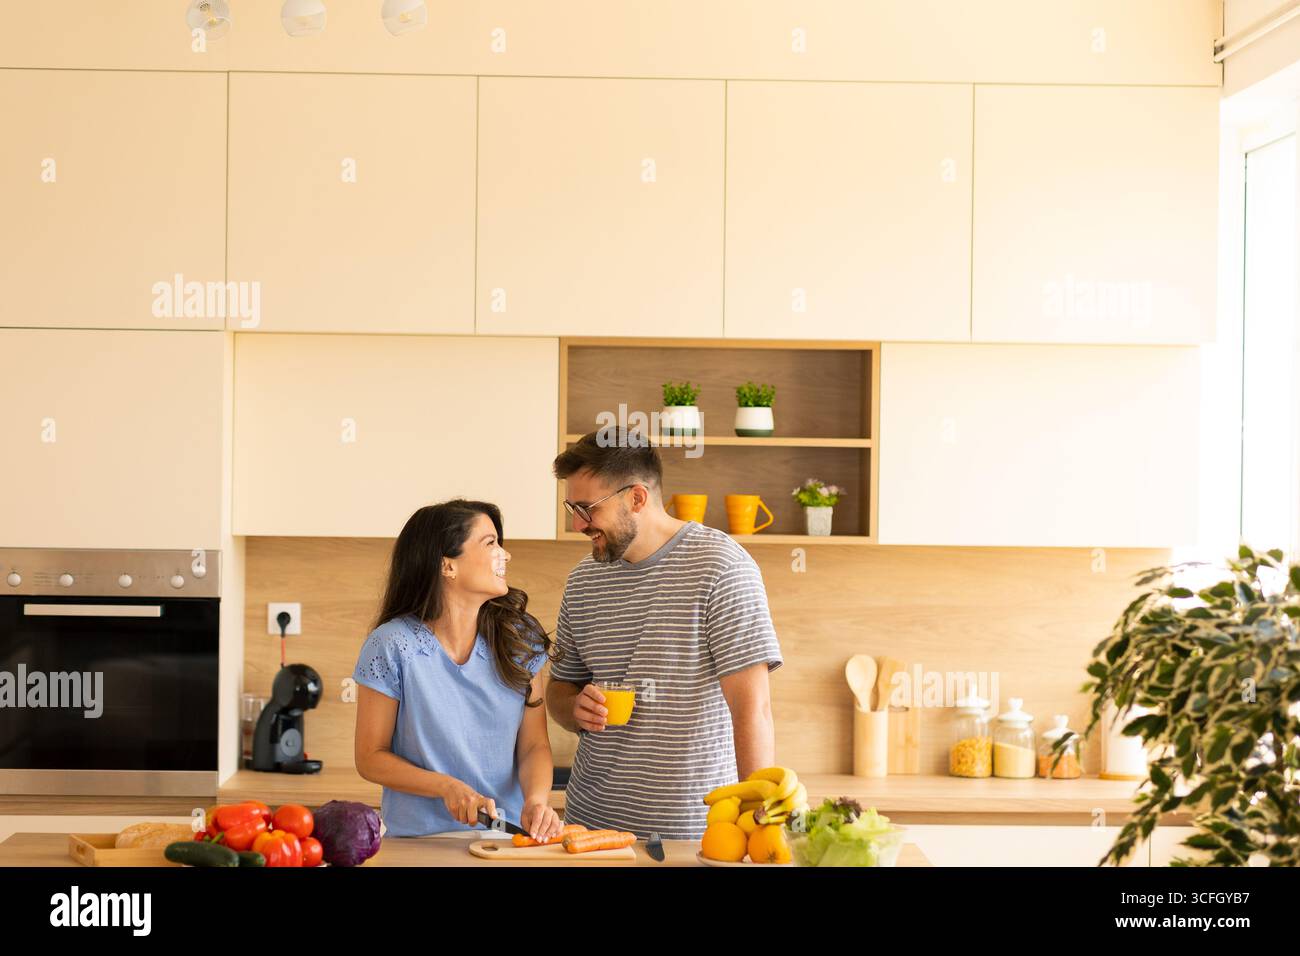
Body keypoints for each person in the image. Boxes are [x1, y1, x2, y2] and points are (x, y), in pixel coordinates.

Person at [545, 430, 783, 839]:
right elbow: (559, 690)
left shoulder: (721, 567)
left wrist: (758, 824)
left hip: (691, 830)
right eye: (572, 507)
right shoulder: (584, 581)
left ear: (636, 498)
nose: (576, 523)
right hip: (588, 830)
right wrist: (574, 709)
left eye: (586, 508)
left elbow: (753, 709)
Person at [352, 499, 563, 842]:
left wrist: (537, 800)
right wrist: (446, 787)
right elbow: (370, 757)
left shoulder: (519, 638)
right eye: (490, 543)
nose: (505, 555)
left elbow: (534, 746)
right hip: (418, 845)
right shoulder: (391, 645)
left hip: (505, 839)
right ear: (447, 566)